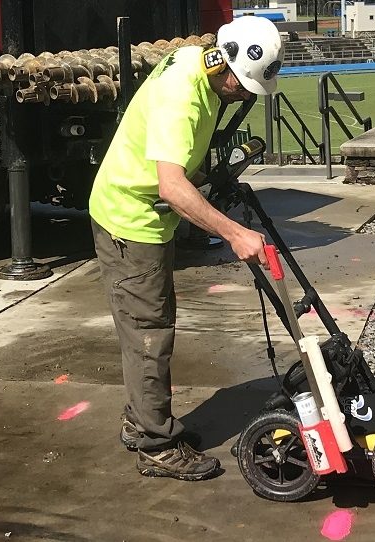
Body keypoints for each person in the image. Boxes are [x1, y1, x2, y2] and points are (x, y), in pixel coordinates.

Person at [88, 16, 284, 481]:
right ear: (227, 64)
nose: (245, 95)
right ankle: (155, 445)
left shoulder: (200, 63)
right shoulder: (184, 96)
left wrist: (206, 181)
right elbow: (171, 187)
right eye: (244, 86)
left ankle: (143, 422)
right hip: (130, 221)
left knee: (153, 327)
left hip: (146, 214)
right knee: (149, 336)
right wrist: (236, 234)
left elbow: (173, 161)